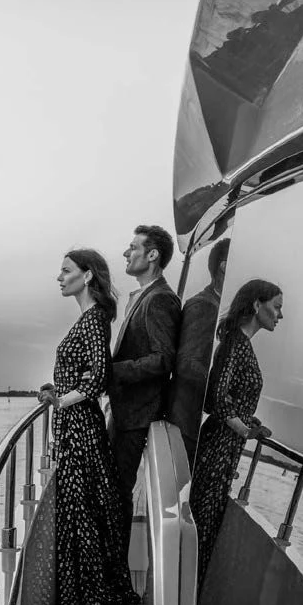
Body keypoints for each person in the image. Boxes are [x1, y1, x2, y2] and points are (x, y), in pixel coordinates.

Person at [38, 248, 139, 605]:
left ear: (88, 276)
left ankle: (90, 594)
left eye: (66, 271)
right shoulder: (87, 320)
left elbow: (97, 378)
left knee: (81, 507)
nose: (60, 278)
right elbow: (82, 373)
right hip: (74, 427)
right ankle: (84, 591)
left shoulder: (95, 320)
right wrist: (57, 388)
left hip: (80, 429)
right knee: (79, 507)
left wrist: (59, 401)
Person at [190, 279, 283, 590]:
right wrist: (246, 429)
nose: (280, 315)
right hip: (217, 447)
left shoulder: (242, 344)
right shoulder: (234, 343)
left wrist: (249, 421)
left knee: (208, 523)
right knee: (203, 525)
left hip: (225, 447)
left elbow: (231, 396)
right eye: (277, 307)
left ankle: (189, 604)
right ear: (257, 305)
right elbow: (217, 396)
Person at [107, 225, 182, 554]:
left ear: (152, 255)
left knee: (118, 491)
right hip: (125, 408)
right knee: (114, 489)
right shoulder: (142, 296)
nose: (126, 253)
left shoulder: (161, 299)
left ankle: (114, 576)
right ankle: (110, 570)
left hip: (138, 413)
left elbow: (163, 359)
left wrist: (112, 372)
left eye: (133, 248)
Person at [169, 238, 230, 469]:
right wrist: (220, 392)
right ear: (223, 266)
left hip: (190, 420)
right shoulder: (204, 305)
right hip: (184, 421)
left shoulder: (218, 306)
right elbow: (187, 364)